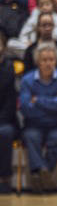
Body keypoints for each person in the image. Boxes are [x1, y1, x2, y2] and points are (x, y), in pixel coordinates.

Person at [20, 42, 57, 193]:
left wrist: (38, 101)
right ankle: (44, 174)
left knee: (56, 139)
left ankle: (39, 175)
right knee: (31, 137)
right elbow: (26, 108)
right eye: (44, 60)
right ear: (37, 61)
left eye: (51, 60)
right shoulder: (27, 80)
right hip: (34, 124)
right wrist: (54, 102)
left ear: (56, 60)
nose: (48, 63)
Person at [0, 32, 18, 193]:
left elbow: (11, 101)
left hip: (5, 119)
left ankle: (5, 178)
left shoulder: (8, 67)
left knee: (5, 133)